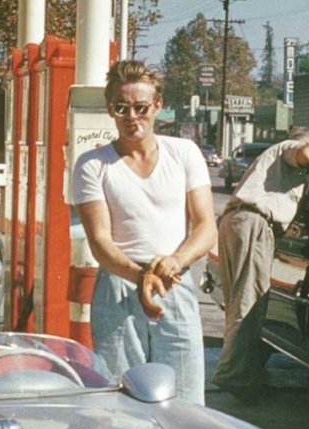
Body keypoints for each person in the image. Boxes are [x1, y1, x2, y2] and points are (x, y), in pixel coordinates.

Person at [72, 60, 217, 405]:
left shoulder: (184, 153)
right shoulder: (92, 165)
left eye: (141, 107)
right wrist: (141, 277)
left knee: (185, 400)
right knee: (119, 399)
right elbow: (100, 241)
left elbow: (206, 226)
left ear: (157, 106)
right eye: (122, 108)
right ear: (110, 109)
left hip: (174, 282)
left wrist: (175, 261)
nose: (132, 117)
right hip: (118, 287)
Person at [211, 122, 309, 398]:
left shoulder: (273, 160)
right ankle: (235, 377)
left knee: (239, 301)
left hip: (236, 221)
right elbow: (306, 154)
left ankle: (244, 371)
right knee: (250, 301)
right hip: (254, 223)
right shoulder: (290, 148)